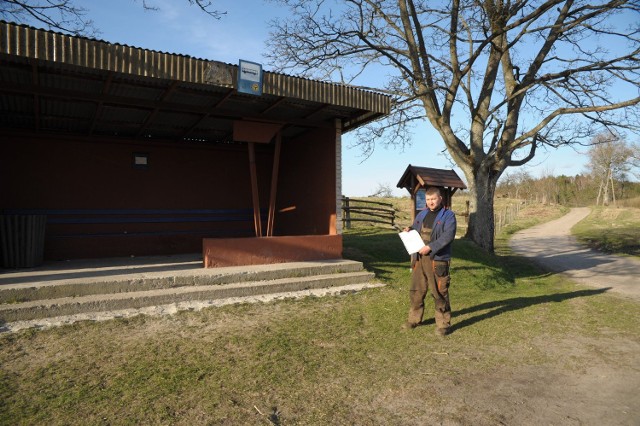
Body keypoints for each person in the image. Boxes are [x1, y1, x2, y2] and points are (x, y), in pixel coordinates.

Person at [402, 186, 457, 336]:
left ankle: (443, 324)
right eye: (428, 199)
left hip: (437, 259)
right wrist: (409, 229)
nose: (431, 202)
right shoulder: (422, 214)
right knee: (417, 290)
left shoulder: (449, 216)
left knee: (439, 292)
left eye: (433, 199)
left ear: (440, 199)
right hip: (419, 258)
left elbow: (448, 236)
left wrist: (431, 247)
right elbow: (415, 228)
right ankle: (414, 319)